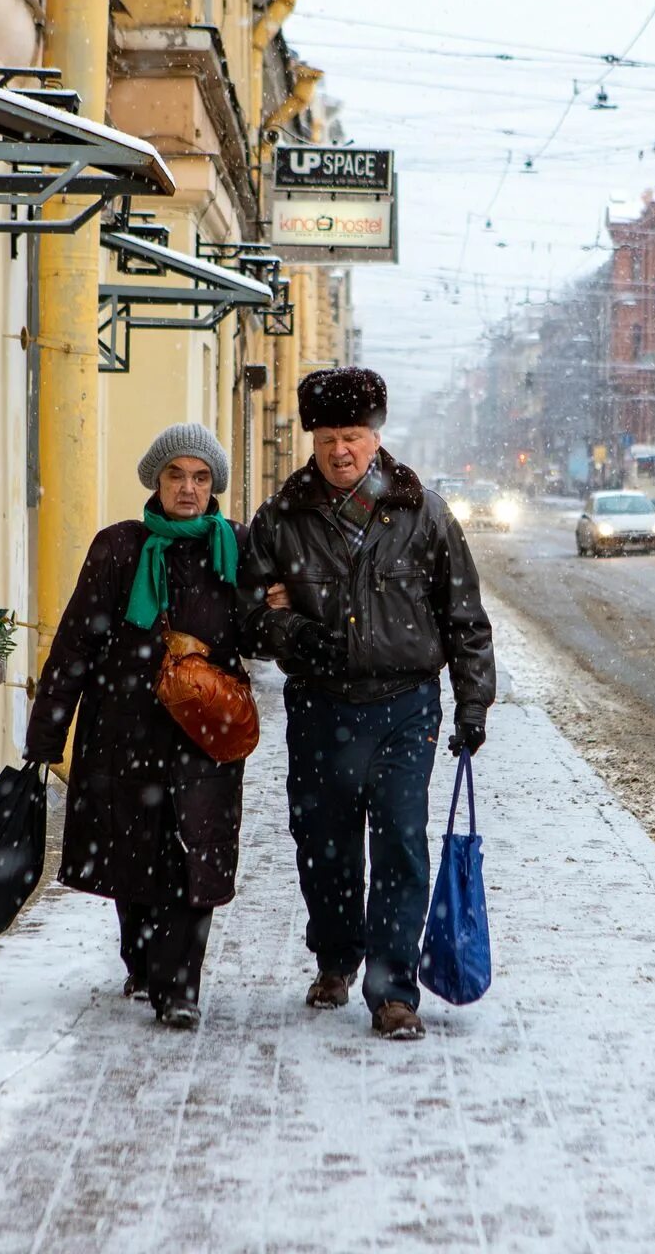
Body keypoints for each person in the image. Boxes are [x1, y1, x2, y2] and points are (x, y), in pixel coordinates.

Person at [247, 367, 496, 1042]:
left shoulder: (424, 513)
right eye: (328, 438)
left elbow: (464, 616)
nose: (340, 451)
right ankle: (335, 956)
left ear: (375, 435)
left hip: (405, 706)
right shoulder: (280, 519)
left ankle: (392, 991)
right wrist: (298, 637)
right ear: (314, 439)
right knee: (323, 848)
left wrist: (474, 704)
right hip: (321, 707)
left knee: (400, 848)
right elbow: (248, 615)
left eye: (353, 436)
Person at [24, 424, 258, 1030]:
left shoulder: (234, 547)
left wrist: (276, 614)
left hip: (204, 735)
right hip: (123, 728)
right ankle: (143, 960)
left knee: (197, 855)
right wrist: (47, 736)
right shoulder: (120, 548)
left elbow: (257, 635)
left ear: (215, 487)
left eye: (201, 478)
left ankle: (180, 987)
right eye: (177, 475)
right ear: (156, 480)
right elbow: (75, 645)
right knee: (135, 855)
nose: (188, 488)